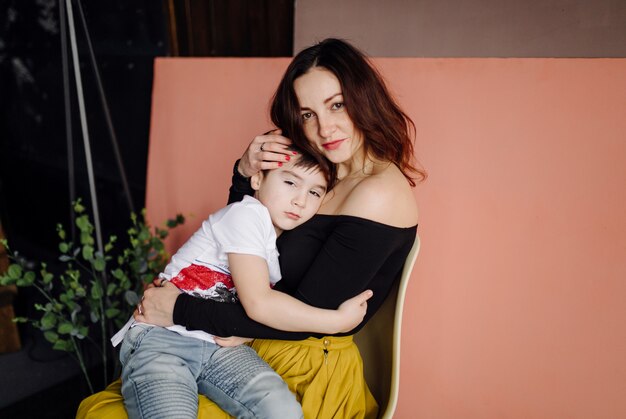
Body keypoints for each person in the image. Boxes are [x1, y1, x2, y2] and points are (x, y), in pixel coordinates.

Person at [77, 38, 425, 419]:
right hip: (244, 335)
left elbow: (304, 314)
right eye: (307, 114)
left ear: (363, 98)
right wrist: (245, 175)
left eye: (336, 104)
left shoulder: (377, 194)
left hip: (301, 362)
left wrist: (179, 309)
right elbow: (240, 252)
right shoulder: (318, 172)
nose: (325, 128)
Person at [113, 147, 373, 419]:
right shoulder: (245, 215)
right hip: (165, 339)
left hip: (222, 348)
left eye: (314, 192)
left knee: (282, 411)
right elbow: (259, 302)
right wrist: (338, 321)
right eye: (290, 182)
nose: (300, 201)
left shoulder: (278, 243)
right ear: (258, 179)